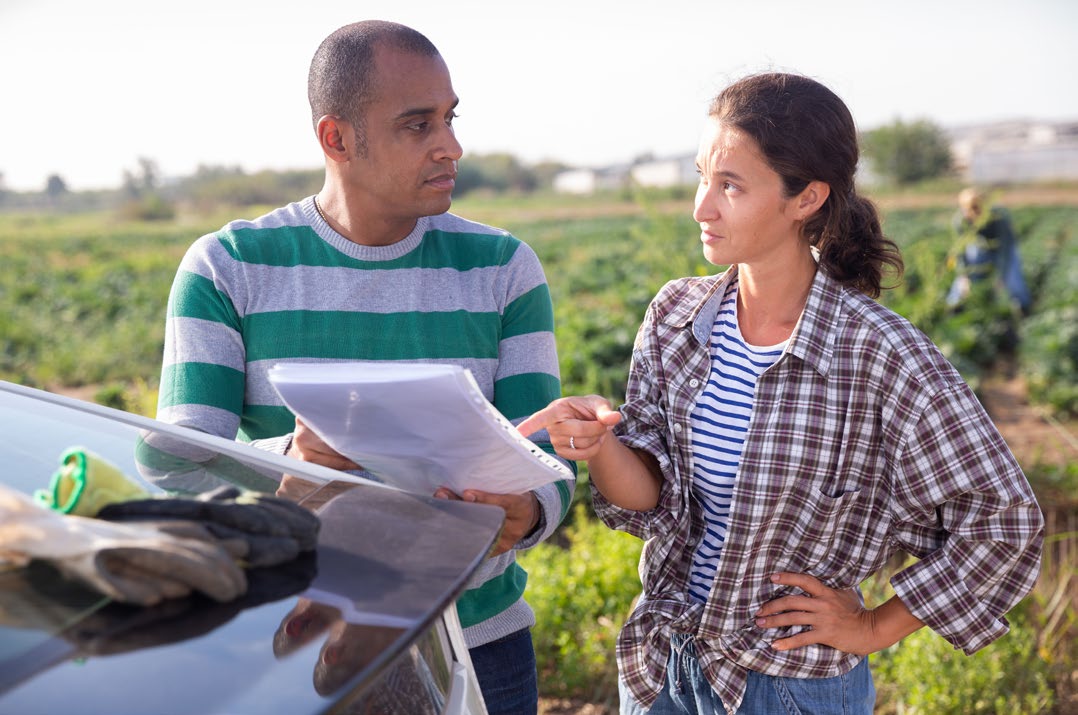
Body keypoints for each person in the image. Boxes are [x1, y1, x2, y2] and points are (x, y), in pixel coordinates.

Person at [518, 72, 1044, 715]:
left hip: (786, 687)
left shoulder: (878, 354)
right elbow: (655, 499)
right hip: (663, 669)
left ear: (806, 198)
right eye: (701, 177)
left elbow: (1004, 521)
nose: (701, 207)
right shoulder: (677, 319)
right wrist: (601, 447)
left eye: (730, 185)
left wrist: (875, 627)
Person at [155, 20, 575, 714]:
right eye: (418, 125)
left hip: (481, 645)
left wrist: (526, 510)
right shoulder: (227, 267)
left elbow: (547, 453)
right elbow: (174, 468)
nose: (452, 146)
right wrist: (296, 458)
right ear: (336, 138)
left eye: (449, 118)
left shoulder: (503, 268)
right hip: (299, 649)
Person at [945, 187, 1033, 316]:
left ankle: (1025, 308)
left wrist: (1001, 277)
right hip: (981, 248)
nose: (975, 213)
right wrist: (964, 276)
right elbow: (960, 250)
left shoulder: (999, 217)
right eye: (971, 209)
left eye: (978, 208)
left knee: (1013, 279)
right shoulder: (960, 221)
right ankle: (954, 306)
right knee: (964, 280)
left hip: (1003, 249)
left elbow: (1005, 249)